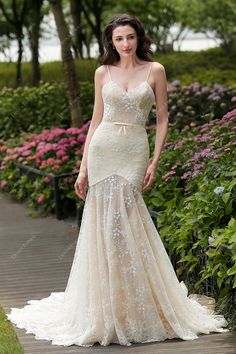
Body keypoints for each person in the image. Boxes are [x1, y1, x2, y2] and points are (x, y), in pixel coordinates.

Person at [7, 13, 228, 347]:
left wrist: (155, 160)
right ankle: (107, 306)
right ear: (110, 42)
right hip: (103, 149)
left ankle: (135, 304)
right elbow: (95, 122)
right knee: (104, 224)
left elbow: (163, 119)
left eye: (130, 37)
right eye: (118, 39)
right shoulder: (102, 72)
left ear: (139, 38)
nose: (125, 44)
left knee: (125, 220)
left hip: (134, 149)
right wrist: (82, 168)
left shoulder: (155, 70)